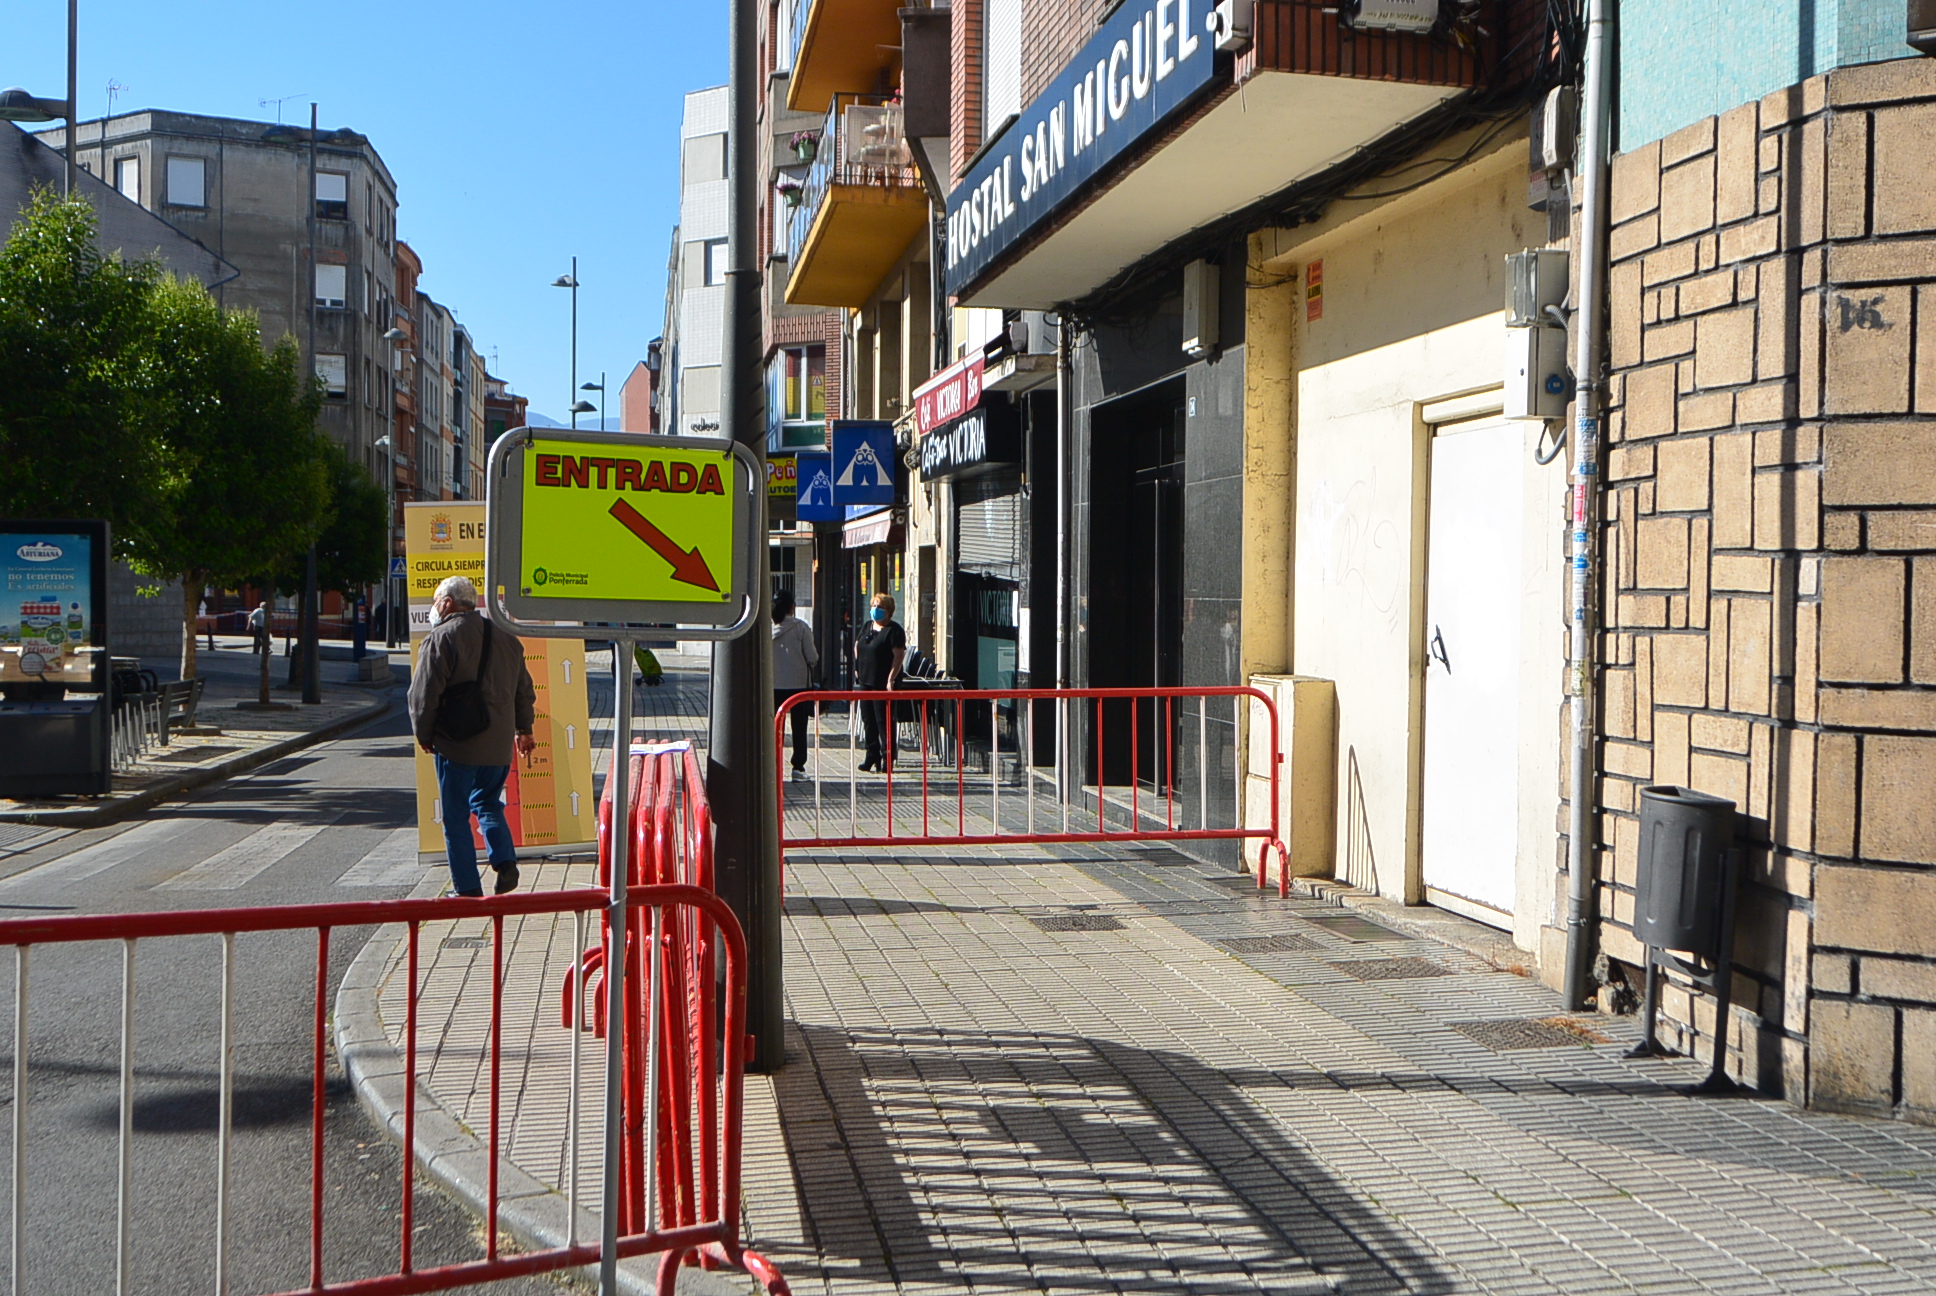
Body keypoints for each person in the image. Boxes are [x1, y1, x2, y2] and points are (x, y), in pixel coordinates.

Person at [407, 576, 537, 898]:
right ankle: (506, 862)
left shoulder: (441, 638)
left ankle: (466, 889)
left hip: (457, 744)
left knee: (455, 818)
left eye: (436, 602)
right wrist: (525, 730)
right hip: (498, 746)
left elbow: (423, 695)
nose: (434, 609)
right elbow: (524, 691)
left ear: (448, 603)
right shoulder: (506, 637)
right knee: (488, 802)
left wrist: (424, 734)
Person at [852, 592, 904, 774]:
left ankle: (887, 757)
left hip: (882, 682)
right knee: (868, 720)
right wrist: (858, 667)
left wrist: (891, 678)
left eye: (879, 607)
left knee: (883, 721)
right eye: (873, 606)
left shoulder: (894, 631)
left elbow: (898, 656)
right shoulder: (868, 626)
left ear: (889, 611)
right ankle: (871, 754)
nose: (875, 610)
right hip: (865, 680)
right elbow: (858, 645)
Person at [771, 590, 818, 778]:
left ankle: (773, 764)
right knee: (799, 727)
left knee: (775, 726)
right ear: (792, 607)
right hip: (799, 686)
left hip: (773, 686)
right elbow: (812, 657)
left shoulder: (767, 629)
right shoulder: (801, 628)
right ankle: (798, 767)